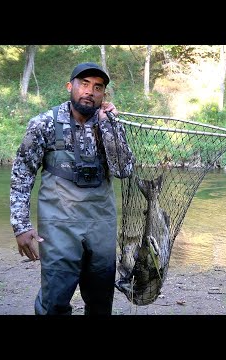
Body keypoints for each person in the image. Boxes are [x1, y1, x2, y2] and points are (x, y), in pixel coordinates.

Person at [10, 62, 136, 315]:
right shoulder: (43, 124)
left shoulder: (110, 124)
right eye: (84, 84)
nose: (90, 91)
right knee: (55, 299)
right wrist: (21, 226)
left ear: (104, 95)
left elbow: (124, 170)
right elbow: (22, 174)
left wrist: (108, 127)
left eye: (98, 87)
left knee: (101, 301)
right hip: (59, 223)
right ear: (70, 86)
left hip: (101, 223)